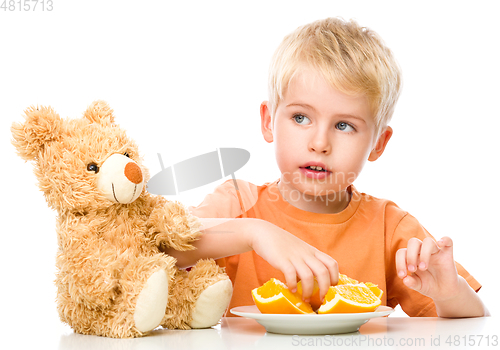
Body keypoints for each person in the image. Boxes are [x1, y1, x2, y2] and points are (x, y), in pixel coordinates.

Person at [165, 17, 488, 317]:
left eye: (344, 125)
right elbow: (165, 245)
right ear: (268, 122)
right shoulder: (238, 204)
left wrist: (449, 293)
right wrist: (254, 233)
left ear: (378, 143)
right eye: (300, 118)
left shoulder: (391, 228)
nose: (320, 143)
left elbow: (474, 324)